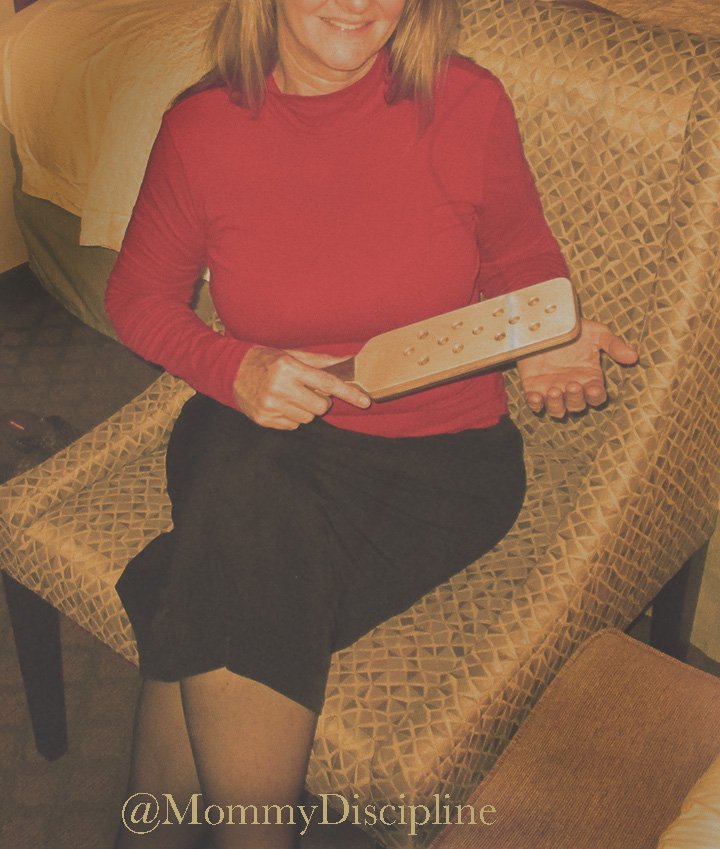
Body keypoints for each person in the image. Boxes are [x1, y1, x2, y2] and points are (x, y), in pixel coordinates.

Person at [105, 2, 639, 847]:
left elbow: (523, 258)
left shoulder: (464, 102)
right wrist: (234, 367)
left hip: (440, 465)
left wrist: (548, 333)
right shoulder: (201, 129)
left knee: (211, 571)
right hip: (267, 426)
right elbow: (137, 297)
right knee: (236, 482)